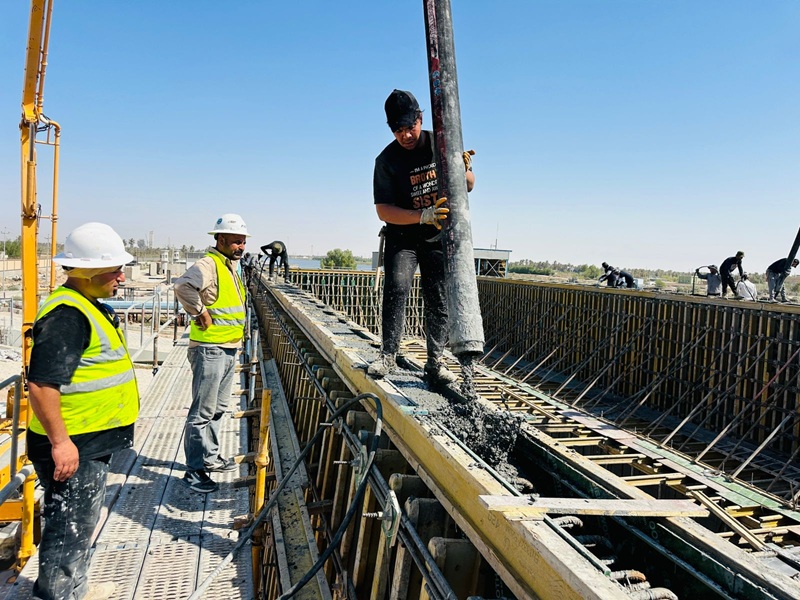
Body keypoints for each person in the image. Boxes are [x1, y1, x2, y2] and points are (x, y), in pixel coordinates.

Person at [27, 222, 138, 600]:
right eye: (115, 269)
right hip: (73, 443)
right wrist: (61, 443)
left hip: (87, 438)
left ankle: (77, 587)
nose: (122, 276)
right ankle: (58, 593)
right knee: (67, 531)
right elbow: (41, 385)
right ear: (88, 271)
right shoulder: (67, 317)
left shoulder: (86, 304)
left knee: (81, 523)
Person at [367, 89, 475, 385]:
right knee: (397, 288)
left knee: (437, 297)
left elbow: (468, 185)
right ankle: (388, 354)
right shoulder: (386, 160)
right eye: (398, 130)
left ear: (420, 118)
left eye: (409, 127)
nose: (406, 135)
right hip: (403, 237)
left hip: (435, 238)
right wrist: (421, 215)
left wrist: (462, 167)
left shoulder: (440, 146)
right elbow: (383, 210)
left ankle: (435, 362)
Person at [173, 213, 249, 493]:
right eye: (236, 241)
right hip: (209, 350)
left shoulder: (230, 267)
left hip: (228, 348)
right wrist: (200, 311)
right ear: (220, 239)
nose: (240, 247)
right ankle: (194, 470)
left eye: (243, 242)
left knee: (218, 409)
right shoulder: (209, 264)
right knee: (202, 412)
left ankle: (211, 456)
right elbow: (182, 286)